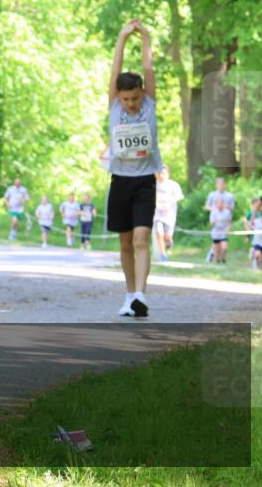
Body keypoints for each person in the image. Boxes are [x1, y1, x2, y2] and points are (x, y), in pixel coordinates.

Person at [106, 19, 162, 318]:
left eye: (135, 98)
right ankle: (129, 295)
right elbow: (115, 71)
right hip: (120, 180)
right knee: (126, 242)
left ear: (142, 93)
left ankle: (141, 294)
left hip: (144, 181)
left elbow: (149, 69)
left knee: (141, 238)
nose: (130, 104)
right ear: (119, 97)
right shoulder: (114, 105)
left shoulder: (149, 103)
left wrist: (146, 37)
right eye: (126, 99)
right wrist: (122, 37)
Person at [152, 165, 183, 262]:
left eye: (163, 173)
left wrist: (170, 200)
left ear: (168, 174)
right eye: (159, 173)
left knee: (167, 236)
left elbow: (180, 196)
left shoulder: (173, 185)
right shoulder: (152, 184)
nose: (161, 175)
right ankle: (163, 255)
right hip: (157, 214)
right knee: (159, 232)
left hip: (169, 215)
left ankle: (168, 241)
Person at [204, 177, 235, 263]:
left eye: (222, 184)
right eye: (219, 184)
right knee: (216, 242)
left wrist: (225, 207)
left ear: (225, 184)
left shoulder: (229, 196)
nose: (221, 185)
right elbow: (206, 206)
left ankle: (220, 257)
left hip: (225, 219)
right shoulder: (212, 194)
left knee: (223, 243)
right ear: (216, 185)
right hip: (215, 219)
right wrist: (215, 209)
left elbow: (232, 208)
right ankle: (213, 256)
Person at [209, 198, 233, 264]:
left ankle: (223, 258)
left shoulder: (227, 212)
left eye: (221, 203)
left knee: (224, 247)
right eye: (218, 204)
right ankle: (217, 260)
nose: (220, 205)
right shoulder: (213, 212)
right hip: (216, 232)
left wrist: (228, 229)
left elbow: (229, 222)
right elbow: (211, 224)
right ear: (216, 205)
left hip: (223, 232)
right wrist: (215, 221)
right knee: (217, 249)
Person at [243, 198, 262, 267]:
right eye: (257, 204)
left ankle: (257, 262)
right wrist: (247, 235)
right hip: (253, 234)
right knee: (254, 247)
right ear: (253, 204)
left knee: (259, 248)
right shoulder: (251, 213)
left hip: (261, 234)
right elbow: (246, 222)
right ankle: (252, 261)